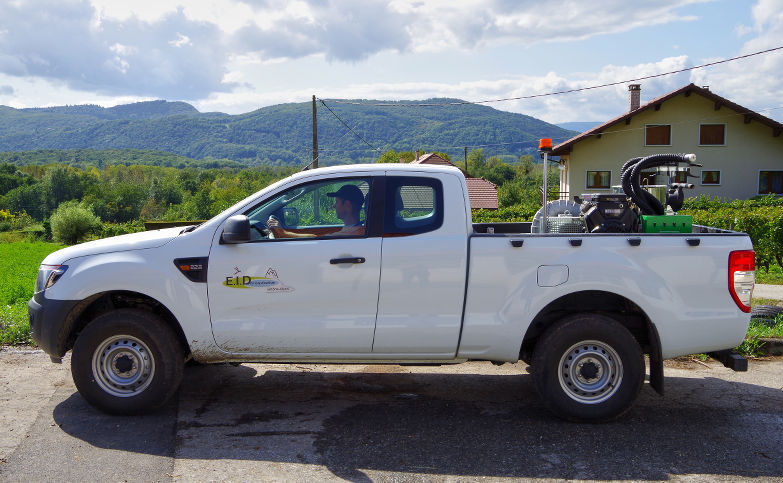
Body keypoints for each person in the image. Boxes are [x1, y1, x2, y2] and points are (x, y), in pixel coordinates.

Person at [267, 184, 365, 238]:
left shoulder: (352, 234)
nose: (334, 206)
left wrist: (283, 233)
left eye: (337, 202)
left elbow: (314, 238)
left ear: (347, 205)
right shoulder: (355, 229)